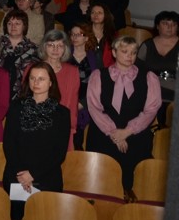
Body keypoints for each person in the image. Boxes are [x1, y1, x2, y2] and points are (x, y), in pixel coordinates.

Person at [86, 36, 162, 190]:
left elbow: (151, 109)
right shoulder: (98, 75)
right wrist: (114, 133)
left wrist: (127, 131)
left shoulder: (149, 77)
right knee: (101, 185)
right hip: (104, 134)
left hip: (135, 136)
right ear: (114, 52)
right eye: (125, 51)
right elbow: (94, 107)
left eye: (134, 52)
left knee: (131, 183)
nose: (130, 56)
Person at [2, 61, 72, 220]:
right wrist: (22, 173)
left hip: (47, 177)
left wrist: (32, 175)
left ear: (51, 82)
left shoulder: (62, 114)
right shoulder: (16, 107)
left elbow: (59, 153)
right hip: (17, 175)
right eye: (32, 78)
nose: (36, 82)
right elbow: (9, 144)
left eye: (41, 79)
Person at [38, 29, 80, 150]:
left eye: (60, 46)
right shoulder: (33, 69)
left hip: (61, 127)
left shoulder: (73, 72)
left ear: (65, 49)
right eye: (51, 45)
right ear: (44, 47)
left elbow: (72, 104)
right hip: (36, 127)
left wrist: (70, 129)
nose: (55, 50)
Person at [137, 10, 178, 108]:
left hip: (174, 91)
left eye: (174, 24)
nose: (170, 27)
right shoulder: (147, 45)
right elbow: (137, 70)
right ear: (157, 26)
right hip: (150, 89)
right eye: (165, 23)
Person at [0, 10, 39, 100]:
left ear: (24, 26)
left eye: (17, 23)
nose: (13, 26)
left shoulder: (33, 49)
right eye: (9, 23)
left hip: (23, 95)